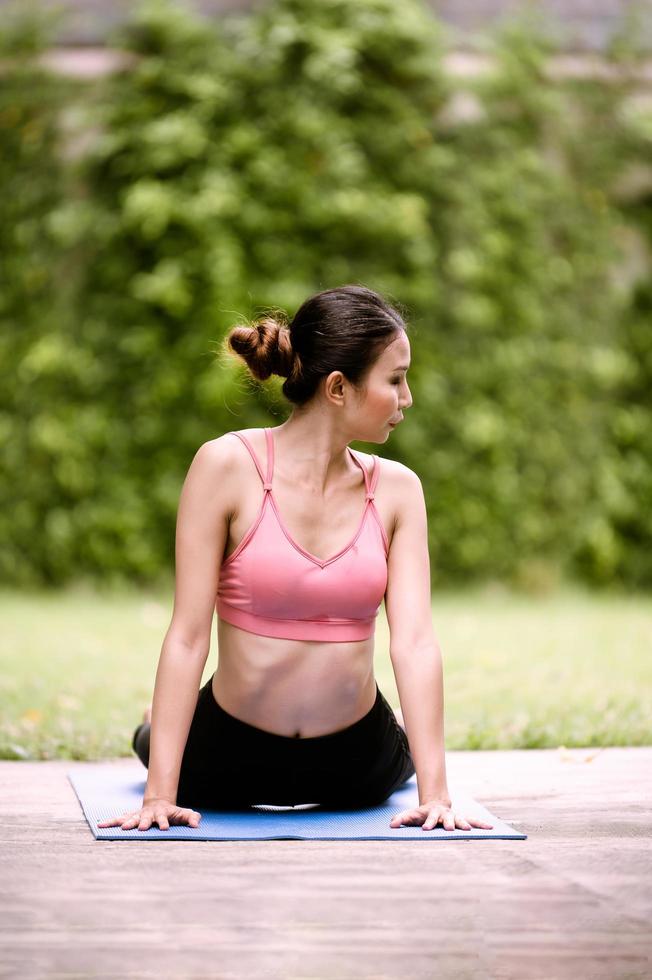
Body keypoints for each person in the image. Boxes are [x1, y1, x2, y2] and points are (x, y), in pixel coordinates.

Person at [98, 284, 492, 833]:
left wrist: (438, 796)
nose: (408, 399)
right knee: (155, 741)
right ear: (337, 387)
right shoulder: (226, 466)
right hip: (225, 756)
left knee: (397, 743)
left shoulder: (399, 490)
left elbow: (415, 641)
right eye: (396, 380)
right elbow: (188, 634)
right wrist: (159, 796)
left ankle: (397, 729)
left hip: (358, 764)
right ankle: (151, 725)